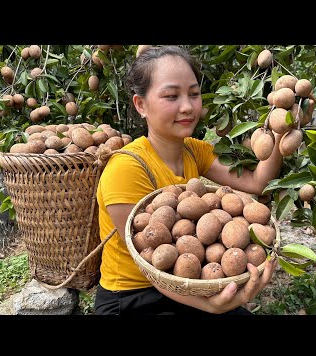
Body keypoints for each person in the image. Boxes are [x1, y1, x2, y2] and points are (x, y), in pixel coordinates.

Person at [94, 45, 284, 315]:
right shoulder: (125, 168)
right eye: (171, 96)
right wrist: (211, 306)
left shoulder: (194, 149)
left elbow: (257, 183)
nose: (187, 106)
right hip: (131, 297)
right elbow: (148, 262)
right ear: (140, 105)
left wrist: (281, 129)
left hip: (186, 280)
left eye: (194, 94)